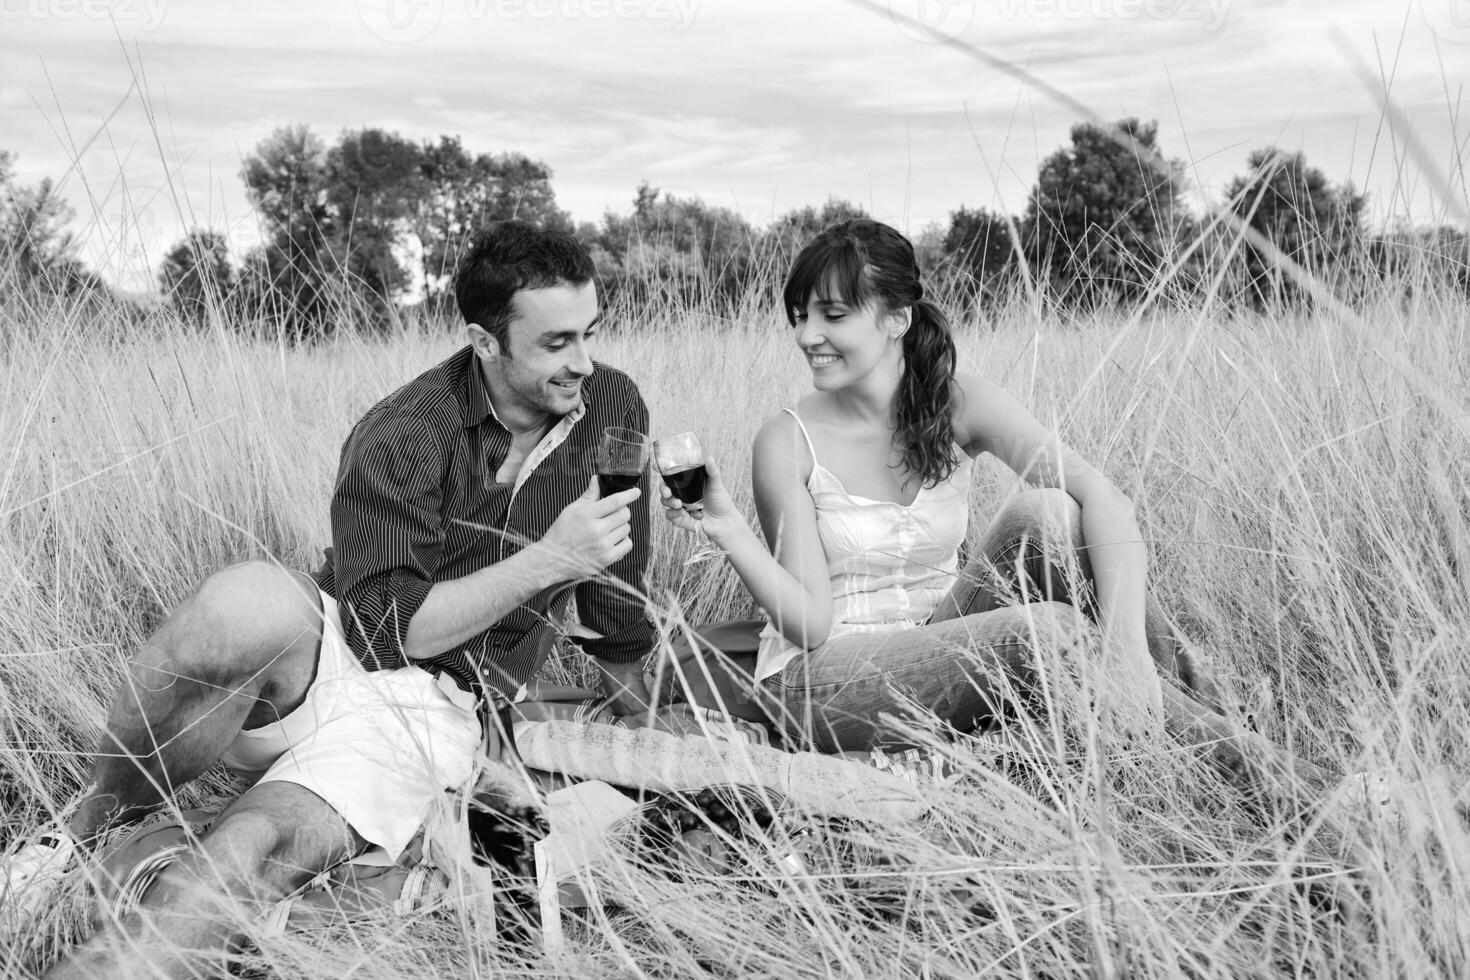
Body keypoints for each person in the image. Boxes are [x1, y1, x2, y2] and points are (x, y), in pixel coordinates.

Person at [2, 220, 656, 976]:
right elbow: (383, 631)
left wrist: (642, 720)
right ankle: (79, 833)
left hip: (431, 709)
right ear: (484, 340)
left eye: (590, 333)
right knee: (242, 600)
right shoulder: (407, 430)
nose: (582, 361)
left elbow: (617, 586)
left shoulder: (612, 406)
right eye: (555, 343)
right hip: (338, 643)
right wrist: (548, 561)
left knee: (246, 847)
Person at [657, 219, 1328, 794]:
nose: (808, 335)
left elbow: (1106, 500)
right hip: (821, 681)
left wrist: (1123, 652)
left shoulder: (959, 403)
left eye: (832, 315)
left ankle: (1169, 704)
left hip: (943, 633)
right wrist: (726, 527)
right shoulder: (786, 439)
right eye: (799, 315)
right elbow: (806, 624)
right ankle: (1287, 782)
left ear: (897, 318)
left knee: (1052, 514)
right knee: (1047, 629)